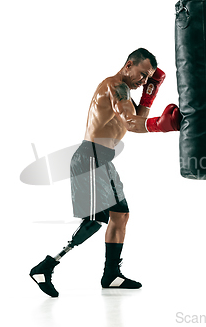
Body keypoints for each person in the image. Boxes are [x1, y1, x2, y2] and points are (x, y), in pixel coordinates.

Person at [29, 48, 182, 297]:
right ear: (129, 64)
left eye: (148, 78)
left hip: (104, 162)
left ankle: (111, 275)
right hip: (89, 158)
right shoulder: (114, 86)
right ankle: (45, 267)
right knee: (94, 221)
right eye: (142, 75)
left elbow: (136, 121)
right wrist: (162, 125)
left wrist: (150, 93)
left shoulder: (126, 93)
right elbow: (133, 123)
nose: (143, 81)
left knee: (120, 216)